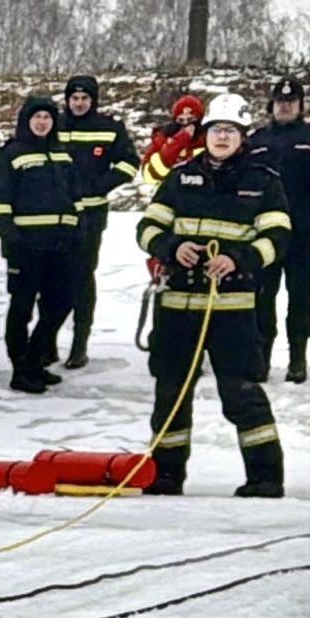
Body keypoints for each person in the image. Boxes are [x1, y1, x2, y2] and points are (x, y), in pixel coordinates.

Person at [137, 94, 288, 498]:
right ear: (205, 135)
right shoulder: (179, 176)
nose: (222, 138)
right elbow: (148, 228)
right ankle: (165, 475)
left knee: (242, 394)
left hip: (233, 308)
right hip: (178, 307)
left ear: (242, 136)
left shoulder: (262, 181)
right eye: (216, 131)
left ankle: (265, 478)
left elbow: (278, 237)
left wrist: (240, 259)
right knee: (170, 392)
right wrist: (171, 248)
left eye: (230, 131)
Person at [0, 96, 81, 394]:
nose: (43, 122)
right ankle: (21, 369)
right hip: (26, 246)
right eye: (37, 117)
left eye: (48, 117)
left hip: (61, 245)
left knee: (62, 301)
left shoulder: (62, 153)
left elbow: (73, 196)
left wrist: (76, 231)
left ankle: (35, 359)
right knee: (22, 307)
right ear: (26, 120)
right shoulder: (10, 154)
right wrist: (11, 240)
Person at [57, 75, 138, 369]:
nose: (79, 104)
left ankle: (79, 344)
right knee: (51, 280)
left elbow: (130, 163)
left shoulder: (108, 128)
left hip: (90, 216)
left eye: (84, 99)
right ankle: (46, 343)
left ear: (93, 101)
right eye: (74, 98)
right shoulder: (54, 124)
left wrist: (99, 185)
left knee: (82, 278)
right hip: (55, 217)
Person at [243, 77, 310, 382]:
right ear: (272, 105)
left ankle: (297, 359)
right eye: (280, 101)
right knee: (261, 297)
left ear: (300, 106)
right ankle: (261, 358)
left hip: (303, 235)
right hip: (264, 235)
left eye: (291, 102)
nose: (285, 106)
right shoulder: (255, 141)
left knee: (301, 299)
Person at [142, 94, 206, 189]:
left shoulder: (208, 137)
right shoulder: (163, 137)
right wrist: (177, 142)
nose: (186, 124)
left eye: (191, 120)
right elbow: (149, 176)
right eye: (181, 120)